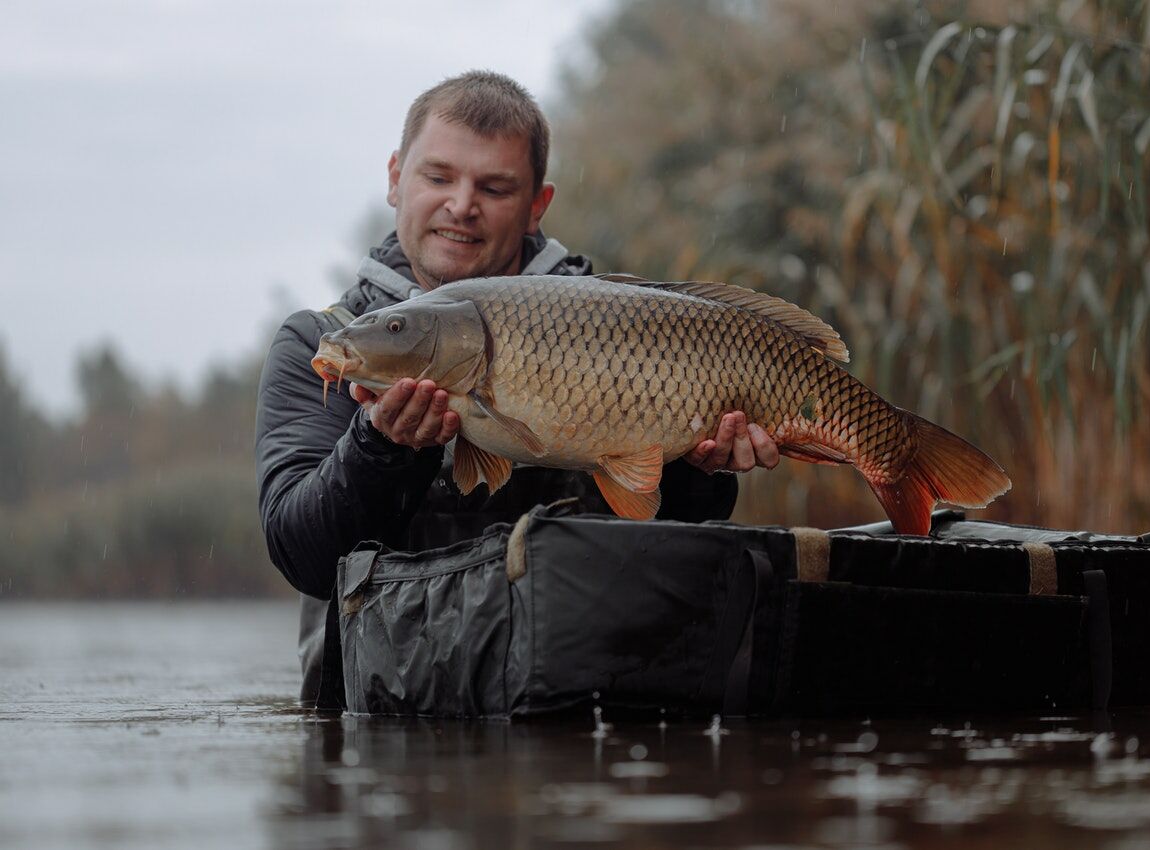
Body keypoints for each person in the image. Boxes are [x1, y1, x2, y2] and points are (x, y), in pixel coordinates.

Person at [254, 71, 779, 702]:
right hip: (385, 727)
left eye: (494, 187)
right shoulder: (324, 344)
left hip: (587, 710)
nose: (461, 205)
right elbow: (302, 556)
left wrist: (705, 467)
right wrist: (379, 449)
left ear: (537, 205)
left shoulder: (623, 321)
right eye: (439, 177)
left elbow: (675, 535)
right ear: (396, 177)